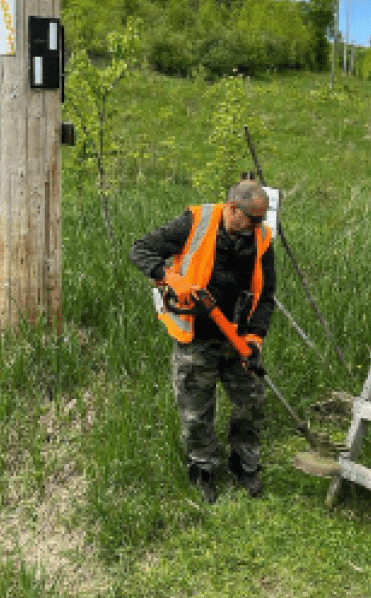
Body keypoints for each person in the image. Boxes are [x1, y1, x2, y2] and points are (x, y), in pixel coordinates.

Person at [129, 180, 276, 503]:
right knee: (196, 412)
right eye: (253, 219)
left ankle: (245, 464)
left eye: (261, 220)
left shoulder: (262, 238)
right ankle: (203, 469)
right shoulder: (194, 222)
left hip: (237, 337)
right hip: (196, 337)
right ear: (233, 209)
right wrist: (170, 277)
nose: (258, 226)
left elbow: (266, 295)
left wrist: (254, 338)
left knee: (251, 401)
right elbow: (140, 250)